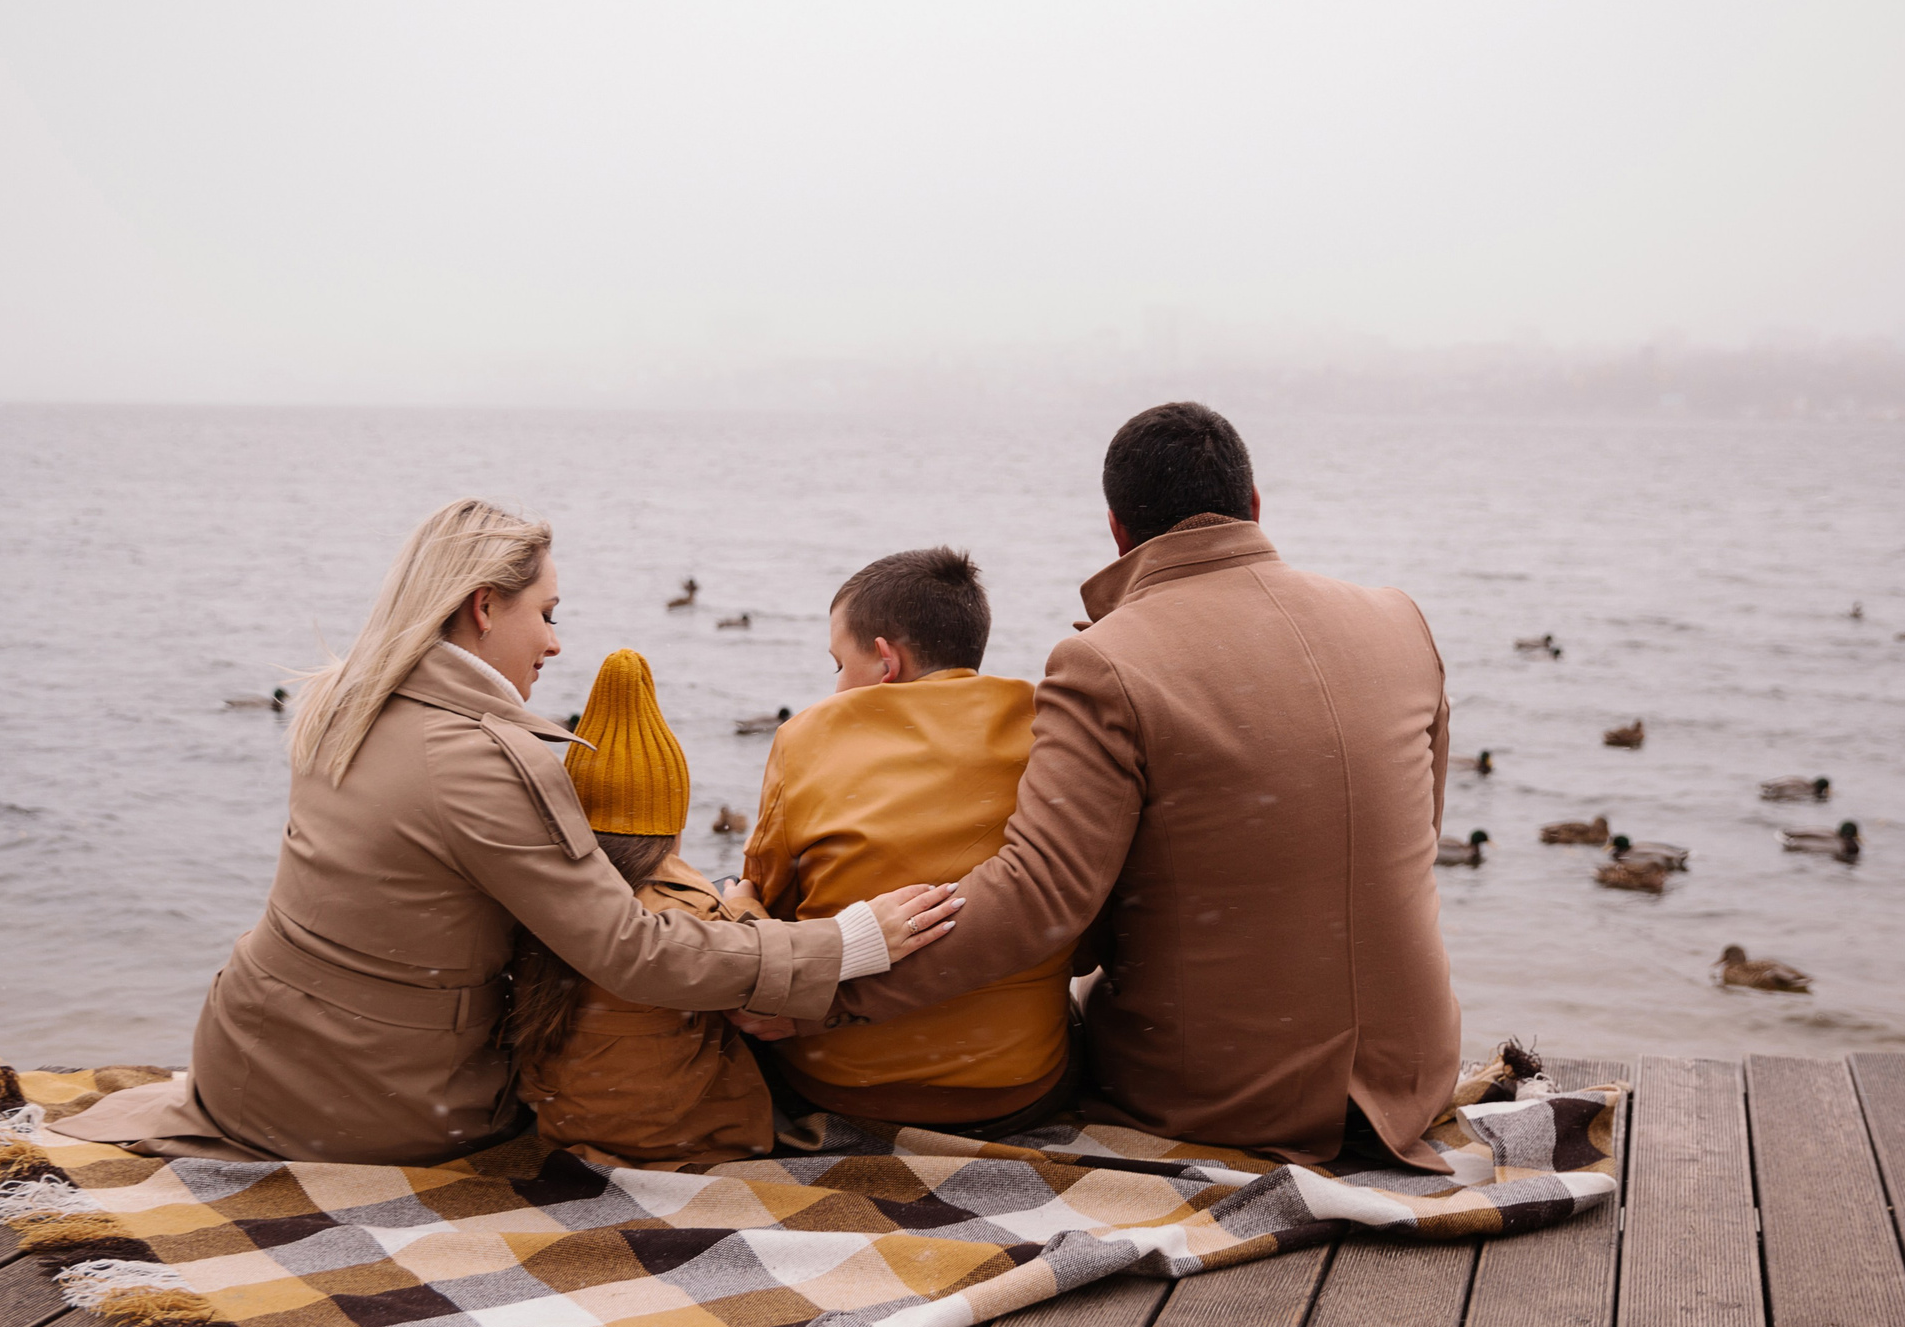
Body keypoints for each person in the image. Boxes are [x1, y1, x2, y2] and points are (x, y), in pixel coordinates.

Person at [50, 498, 961, 1166]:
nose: (557, 644)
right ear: (484, 606)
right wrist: (846, 943)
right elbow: (631, 951)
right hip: (371, 1106)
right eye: (548, 614)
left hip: (243, 1052)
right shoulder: (483, 757)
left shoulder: (346, 699)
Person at [750, 403, 1462, 1171]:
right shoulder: (1400, 618)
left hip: (1221, 1095)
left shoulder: (1107, 660)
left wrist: (825, 991)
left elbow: (1038, 897)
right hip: (1414, 1076)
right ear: (1254, 505)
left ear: (1118, 531)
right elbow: (1418, 831)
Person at [740, 548, 1076, 1135]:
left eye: (838, 665)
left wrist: (738, 905)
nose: (836, 686)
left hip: (840, 1085)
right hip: (1019, 1088)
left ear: (885, 660)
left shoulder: (807, 737)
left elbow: (769, 900)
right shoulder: (1047, 726)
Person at [507, 648, 776, 1166]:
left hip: (567, 1129)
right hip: (688, 1142)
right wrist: (744, 907)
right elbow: (761, 993)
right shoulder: (693, 911)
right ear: (672, 826)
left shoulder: (537, 901)